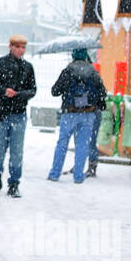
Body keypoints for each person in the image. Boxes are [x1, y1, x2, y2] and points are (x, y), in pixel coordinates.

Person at [0, 34, 36, 198]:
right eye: (18, 46)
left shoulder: (27, 67)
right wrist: (3, 91)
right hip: (1, 113)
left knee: (17, 151)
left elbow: (32, 90)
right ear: (10, 46)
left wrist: (19, 94)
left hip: (19, 113)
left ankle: (14, 183)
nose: (21, 50)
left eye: (23, 47)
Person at [47, 47, 107, 184]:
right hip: (88, 113)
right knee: (82, 145)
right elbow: (102, 93)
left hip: (70, 112)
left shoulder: (67, 71)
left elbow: (55, 91)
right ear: (86, 56)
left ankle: (55, 173)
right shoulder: (93, 72)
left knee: (62, 143)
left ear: (73, 55)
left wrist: (67, 89)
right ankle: (78, 176)